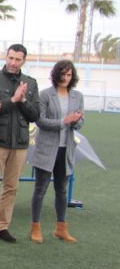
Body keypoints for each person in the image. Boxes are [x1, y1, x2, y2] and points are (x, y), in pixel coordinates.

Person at [0, 43, 40, 243]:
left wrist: (22, 100)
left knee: (11, 187)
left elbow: (35, 115)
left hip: (20, 143)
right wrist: (12, 100)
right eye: (11, 58)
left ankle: (2, 226)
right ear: (6, 56)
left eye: (18, 59)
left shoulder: (30, 82)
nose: (13, 63)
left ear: (24, 61)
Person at [28, 60, 83, 244]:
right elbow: (40, 121)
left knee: (61, 190)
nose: (65, 78)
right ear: (56, 74)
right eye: (62, 74)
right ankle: (35, 227)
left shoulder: (77, 96)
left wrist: (76, 121)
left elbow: (80, 124)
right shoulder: (45, 95)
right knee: (40, 189)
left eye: (69, 75)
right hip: (47, 149)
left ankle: (61, 228)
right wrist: (63, 121)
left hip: (65, 149)